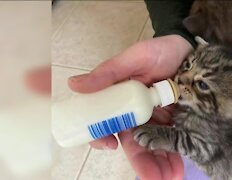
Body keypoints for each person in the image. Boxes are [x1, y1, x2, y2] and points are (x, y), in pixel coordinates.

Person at [29, 1, 207, 180]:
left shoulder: (142, 105)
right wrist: (179, 33)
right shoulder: (144, 109)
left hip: (220, 128)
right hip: (203, 48)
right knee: (167, 162)